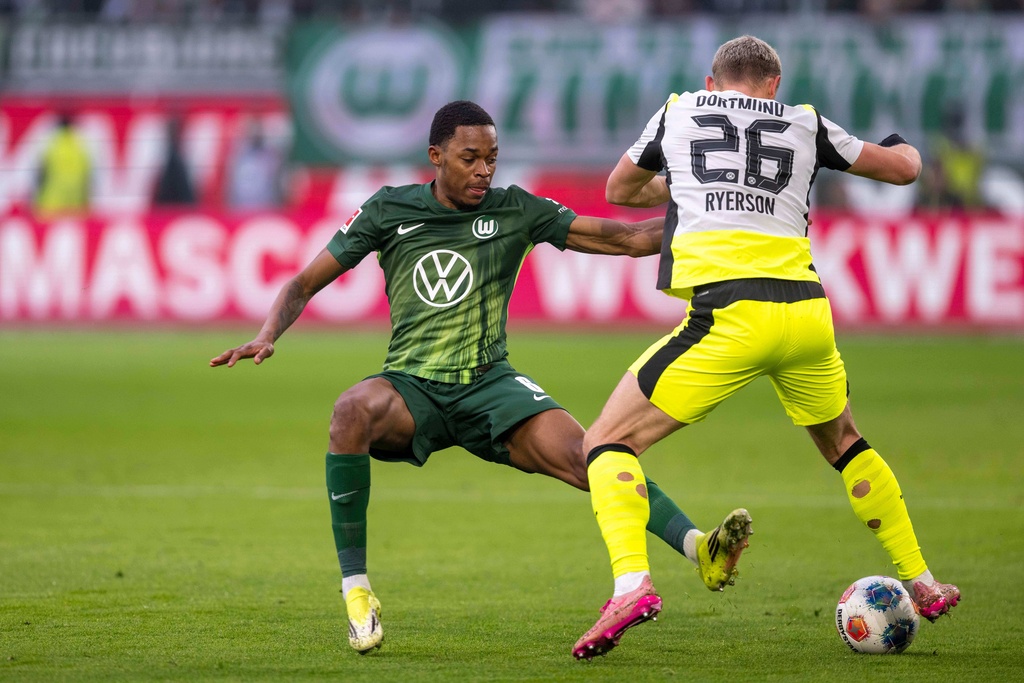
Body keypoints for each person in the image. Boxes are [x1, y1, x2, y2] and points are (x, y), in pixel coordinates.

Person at [210, 100, 748, 655]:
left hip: (492, 387)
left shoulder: (517, 209)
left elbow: (627, 239)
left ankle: (699, 550)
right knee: (350, 410)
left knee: (595, 454)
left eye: (492, 158)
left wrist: (721, 220)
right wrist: (268, 332)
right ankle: (357, 592)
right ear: (436, 156)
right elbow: (301, 283)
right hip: (412, 388)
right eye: (470, 158)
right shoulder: (388, 210)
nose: (484, 170)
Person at [572, 35, 961, 660]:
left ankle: (631, 584)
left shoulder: (679, 111)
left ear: (712, 79)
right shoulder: (806, 123)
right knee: (845, 443)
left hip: (729, 312)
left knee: (605, 442)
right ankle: (922, 578)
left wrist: (690, 183)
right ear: (773, 85)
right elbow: (905, 170)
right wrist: (901, 146)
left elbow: (622, 188)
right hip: (807, 314)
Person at [34, 112, 92, 219]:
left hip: (50, 205)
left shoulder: (51, 143)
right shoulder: (82, 147)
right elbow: (88, 179)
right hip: (76, 206)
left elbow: (40, 173)